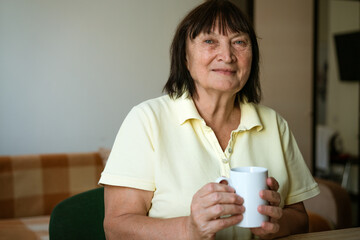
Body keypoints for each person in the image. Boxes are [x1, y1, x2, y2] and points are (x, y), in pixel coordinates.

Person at [99, 0, 320, 239]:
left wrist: (275, 223)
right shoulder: (146, 120)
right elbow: (116, 228)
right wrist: (188, 228)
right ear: (185, 57)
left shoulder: (275, 124)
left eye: (239, 42)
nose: (227, 56)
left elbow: (299, 219)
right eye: (209, 41)